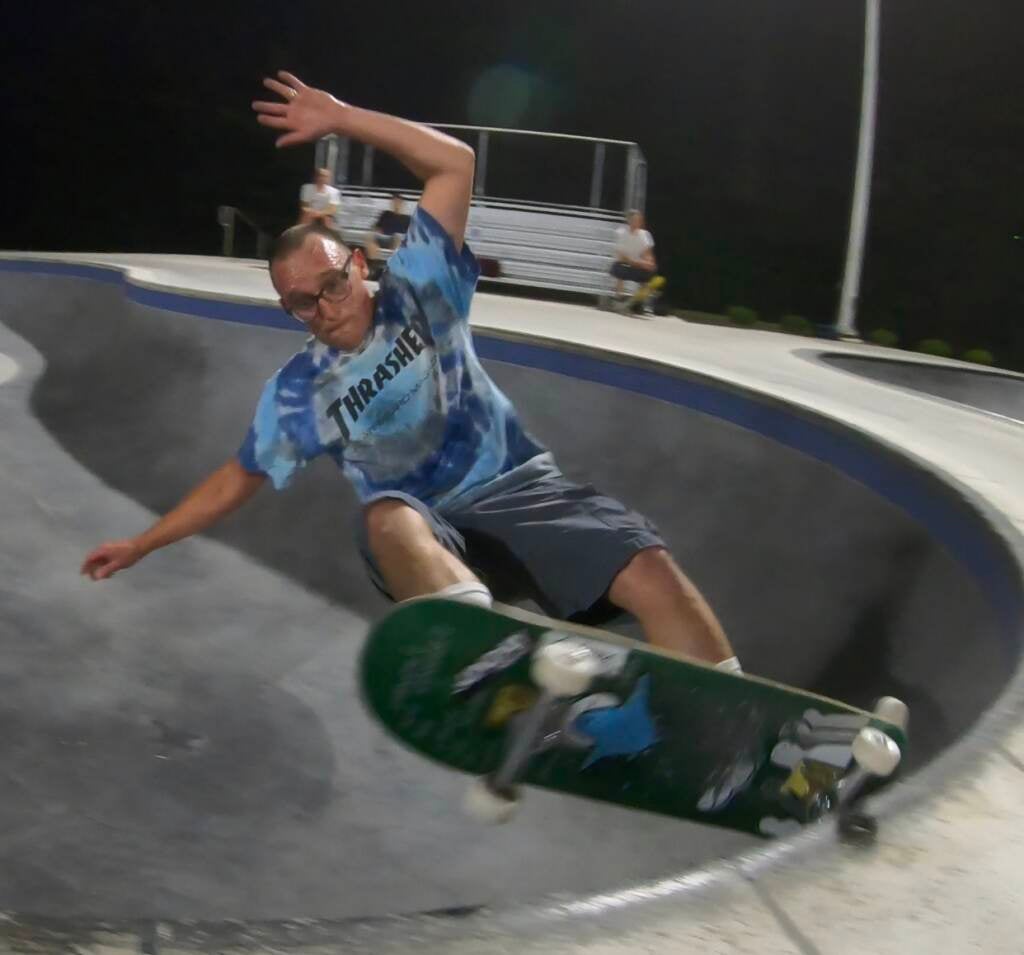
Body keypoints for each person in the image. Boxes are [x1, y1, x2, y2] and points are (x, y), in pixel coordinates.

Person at [80, 71, 739, 673]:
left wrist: (342, 117)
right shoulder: (298, 390)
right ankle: (482, 650)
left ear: (361, 265)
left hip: (519, 490)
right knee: (386, 513)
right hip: (425, 536)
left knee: (650, 568)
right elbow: (235, 480)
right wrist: (144, 543)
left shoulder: (419, 285)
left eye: (331, 286)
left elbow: (455, 164)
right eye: (298, 304)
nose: (321, 311)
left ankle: (731, 721)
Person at [608, 210, 664, 314]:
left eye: (639, 220)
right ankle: (618, 301)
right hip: (624, 264)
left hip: (637, 265)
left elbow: (648, 255)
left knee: (650, 273)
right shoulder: (621, 232)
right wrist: (636, 263)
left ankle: (642, 304)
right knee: (619, 269)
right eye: (635, 220)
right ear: (629, 220)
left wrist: (648, 263)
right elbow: (621, 256)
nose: (637, 222)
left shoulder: (646, 235)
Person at [366, 193, 411, 265]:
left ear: (402, 204)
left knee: (397, 239)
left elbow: (409, 234)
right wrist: (376, 230)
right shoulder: (385, 214)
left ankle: (395, 265)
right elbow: (375, 227)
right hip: (382, 238)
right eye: (394, 202)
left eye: (398, 202)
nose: (396, 204)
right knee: (370, 239)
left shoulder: (407, 218)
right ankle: (373, 264)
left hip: (396, 240)